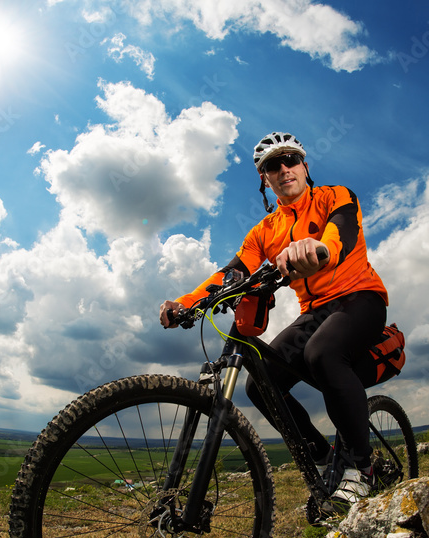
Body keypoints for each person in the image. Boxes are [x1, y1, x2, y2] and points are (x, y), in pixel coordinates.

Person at [160, 131, 388, 508]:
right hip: (314, 312)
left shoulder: (336, 196)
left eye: (290, 160)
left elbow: (342, 232)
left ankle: (362, 468)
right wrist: (187, 303)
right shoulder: (264, 232)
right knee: (259, 385)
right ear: (264, 178)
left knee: (321, 354)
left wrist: (319, 248)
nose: (284, 169)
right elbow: (231, 273)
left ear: (304, 166)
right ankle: (326, 458)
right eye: (272, 166)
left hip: (360, 298)